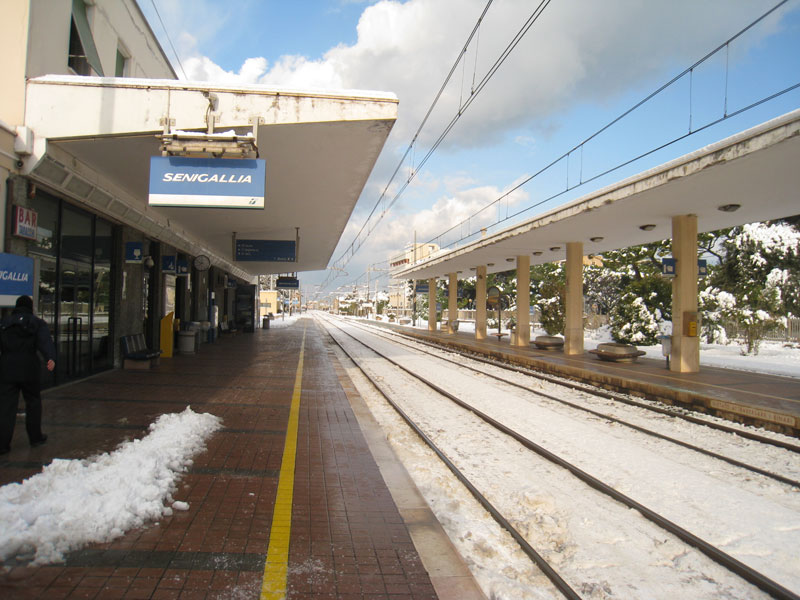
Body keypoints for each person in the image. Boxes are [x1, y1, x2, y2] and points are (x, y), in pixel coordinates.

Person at [0, 295, 56, 454]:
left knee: (6, 406)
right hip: (29, 368)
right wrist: (50, 358)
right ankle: (35, 437)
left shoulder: (4, 323)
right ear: (30, 308)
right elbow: (45, 341)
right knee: (33, 402)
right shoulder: (36, 323)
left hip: (6, 368)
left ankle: (3, 444)